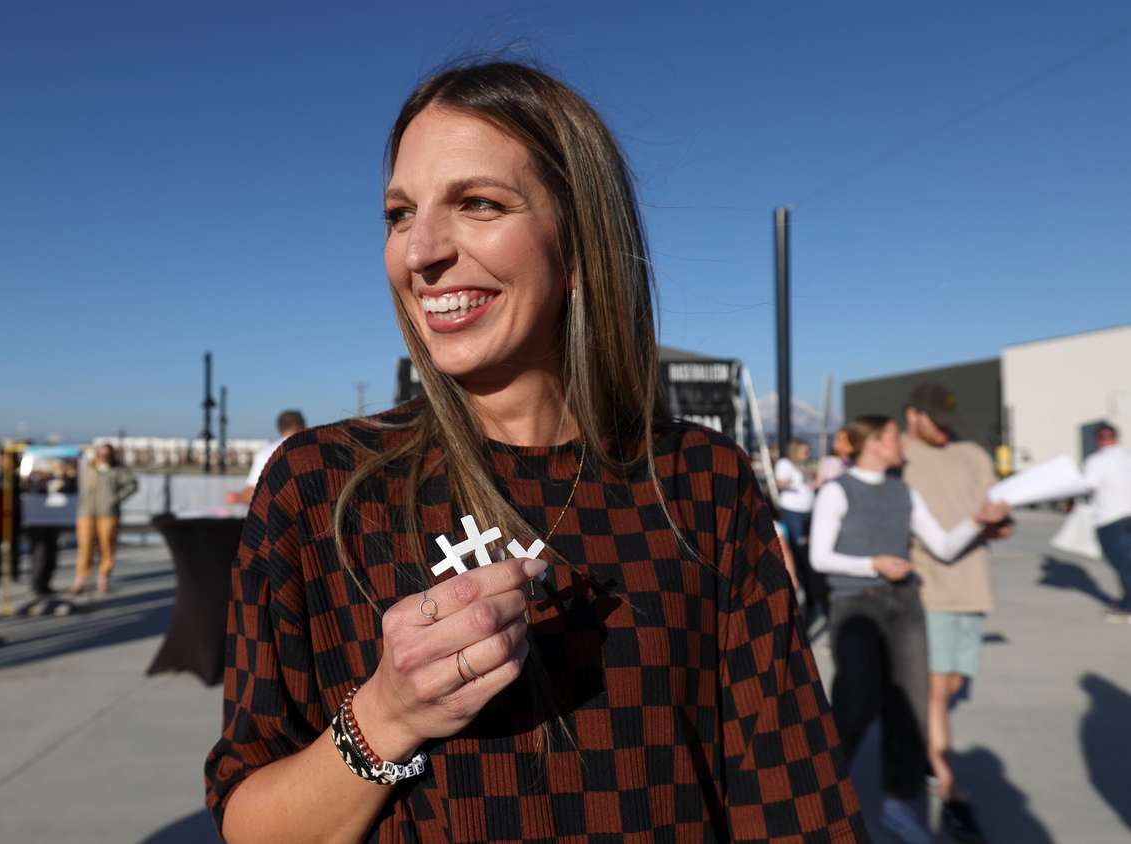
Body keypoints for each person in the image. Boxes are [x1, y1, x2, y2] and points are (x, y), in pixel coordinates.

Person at [205, 61, 867, 842]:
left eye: (478, 203)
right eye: (398, 213)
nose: (420, 252)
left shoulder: (701, 483)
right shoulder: (320, 488)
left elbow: (796, 803)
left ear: (580, 243)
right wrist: (387, 715)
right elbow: (252, 824)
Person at [810, 415, 1007, 844]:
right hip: (857, 607)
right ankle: (817, 803)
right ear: (877, 443)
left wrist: (978, 520)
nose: (902, 444)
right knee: (854, 706)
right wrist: (873, 564)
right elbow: (819, 558)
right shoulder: (836, 491)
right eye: (895, 437)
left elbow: (943, 546)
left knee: (910, 707)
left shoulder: (904, 492)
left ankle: (899, 804)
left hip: (905, 607)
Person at [902, 382, 1013, 843]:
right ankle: (949, 790)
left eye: (946, 417)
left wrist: (999, 523)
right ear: (912, 415)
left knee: (949, 687)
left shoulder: (974, 455)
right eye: (933, 418)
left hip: (974, 588)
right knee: (935, 690)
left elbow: (998, 526)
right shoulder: (898, 454)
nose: (942, 426)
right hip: (930, 588)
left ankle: (927, 755)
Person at [70, 443, 138, 595]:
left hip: (108, 513)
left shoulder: (117, 470)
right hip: (86, 512)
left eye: (106, 454)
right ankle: (80, 578)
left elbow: (132, 485)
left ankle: (103, 577)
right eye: (100, 454)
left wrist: (115, 498)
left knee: (107, 546)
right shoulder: (88, 468)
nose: (103, 457)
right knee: (84, 546)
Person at [1082, 421, 1131, 622]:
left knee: (1123, 563)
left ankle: (1129, 608)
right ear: (1116, 438)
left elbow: (1088, 486)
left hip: (1110, 517)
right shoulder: (1127, 456)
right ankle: (1126, 599)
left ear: (1097, 440)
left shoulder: (1096, 461)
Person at [775, 437, 825, 622]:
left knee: (807, 549)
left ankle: (812, 592)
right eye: (804, 450)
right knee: (796, 550)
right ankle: (800, 585)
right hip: (792, 512)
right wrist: (796, 481)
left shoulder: (803, 466)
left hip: (807, 512)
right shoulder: (785, 464)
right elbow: (780, 483)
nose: (807, 454)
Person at [226, 410, 306, 504]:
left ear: (280, 428)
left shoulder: (267, 453)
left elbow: (253, 493)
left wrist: (238, 497)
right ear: (303, 426)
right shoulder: (318, 449)